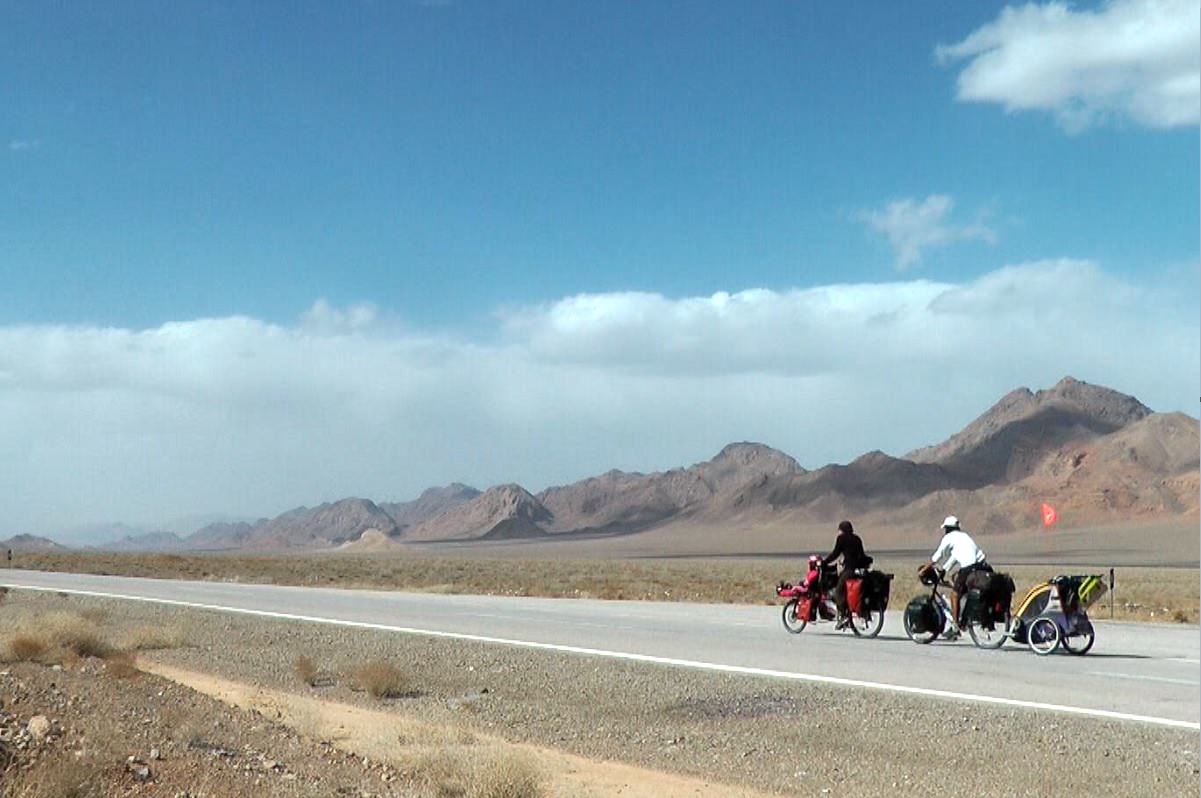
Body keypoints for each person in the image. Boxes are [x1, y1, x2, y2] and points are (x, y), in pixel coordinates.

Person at [927, 515, 992, 639]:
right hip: (983, 566)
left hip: (970, 568)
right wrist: (944, 570)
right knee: (962, 588)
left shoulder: (949, 537)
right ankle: (965, 617)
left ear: (947, 528)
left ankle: (955, 627)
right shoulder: (964, 537)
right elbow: (955, 557)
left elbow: (937, 556)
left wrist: (925, 569)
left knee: (954, 594)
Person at [823, 520, 872, 629]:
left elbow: (835, 553)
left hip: (850, 570)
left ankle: (843, 615)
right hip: (860, 570)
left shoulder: (842, 539)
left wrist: (824, 562)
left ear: (842, 530)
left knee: (838, 591)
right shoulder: (857, 538)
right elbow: (858, 554)